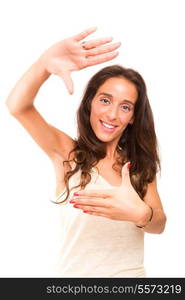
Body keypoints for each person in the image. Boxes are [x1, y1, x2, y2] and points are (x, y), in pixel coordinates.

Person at [6, 26, 167, 277]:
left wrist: (142, 214)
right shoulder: (68, 154)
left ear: (134, 117)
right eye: (105, 100)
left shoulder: (139, 164)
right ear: (90, 102)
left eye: (125, 107)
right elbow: (18, 106)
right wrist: (43, 65)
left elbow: (159, 224)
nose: (112, 114)